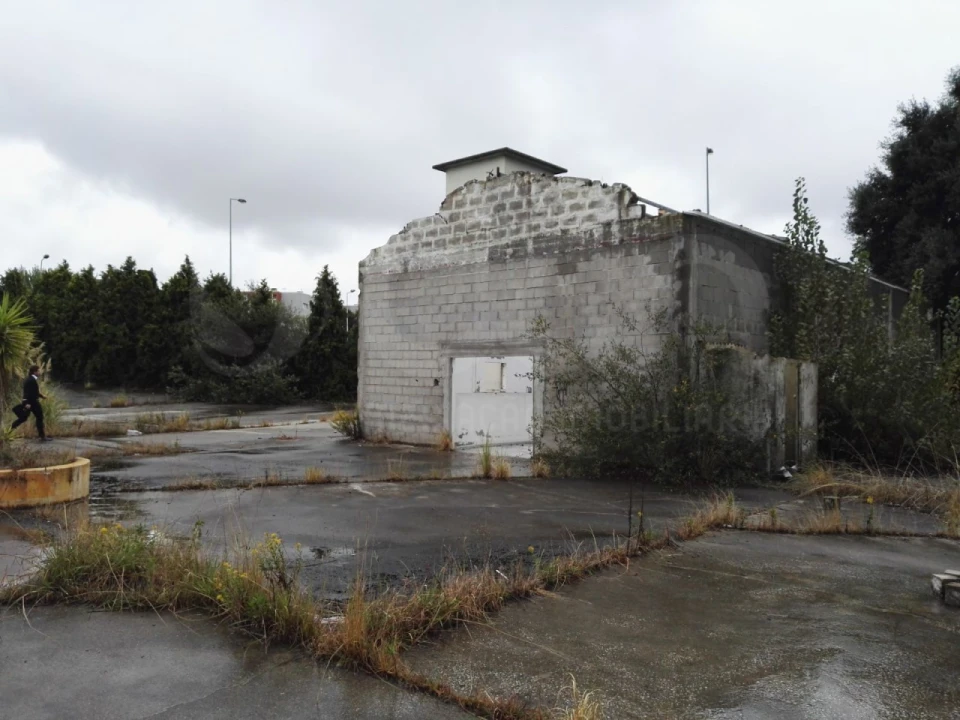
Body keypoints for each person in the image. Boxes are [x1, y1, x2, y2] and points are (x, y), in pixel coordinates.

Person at [11, 365, 50, 441]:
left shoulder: (30, 379)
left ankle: (10, 430)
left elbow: (33, 391)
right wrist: (26, 403)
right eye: (38, 371)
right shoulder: (30, 380)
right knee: (39, 417)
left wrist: (42, 396)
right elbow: (27, 392)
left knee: (24, 418)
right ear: (34, 372)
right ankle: (42, 437)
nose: (40, 372)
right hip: (32, 402)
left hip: (31, 402)